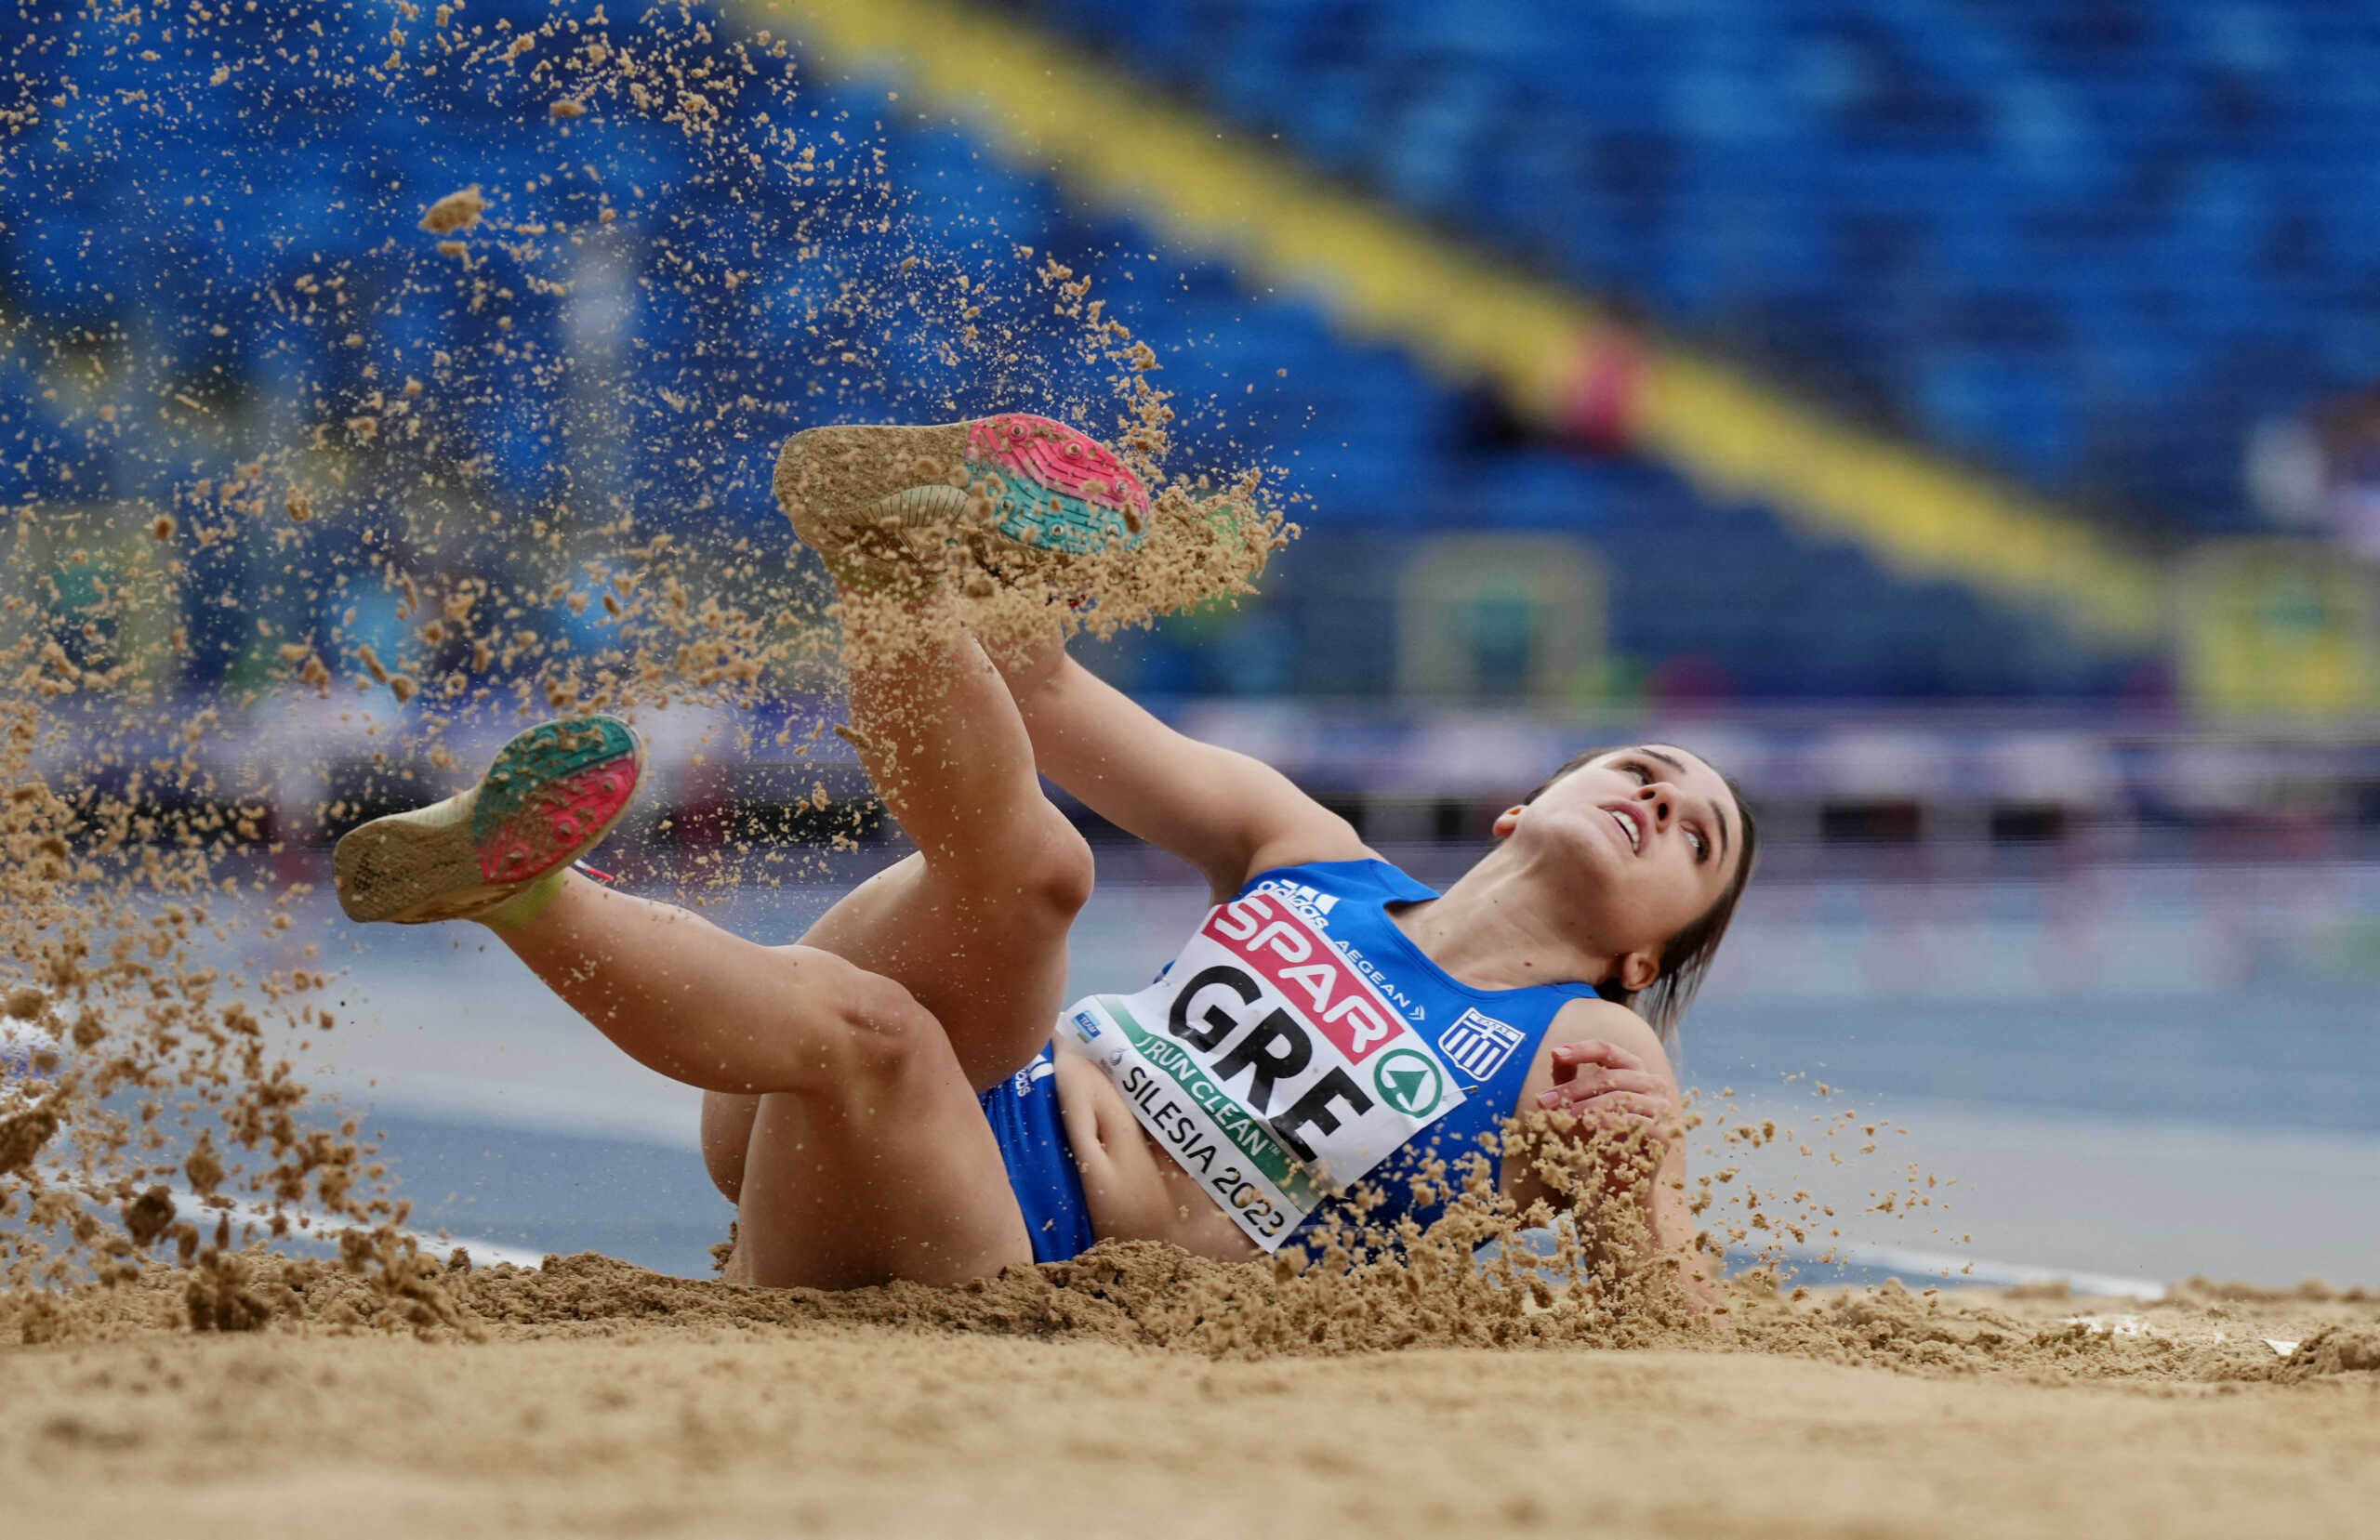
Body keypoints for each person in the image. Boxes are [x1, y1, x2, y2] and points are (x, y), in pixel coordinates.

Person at [333, 414, 1757, 1296]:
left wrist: (1635, 1188)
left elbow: (1665, 1313)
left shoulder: (1584, 1044)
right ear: (1529, 798)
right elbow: (1044, 688)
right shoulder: (1308, 854)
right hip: (864, 1120)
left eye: (1699, 838)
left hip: (1000, 1256)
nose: (1662, 800)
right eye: (1645, 768)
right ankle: (885, 578)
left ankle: (521, 885)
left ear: (1649, 952)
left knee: (881, 1034)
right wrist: (1021, 561)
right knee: (1032, 877)